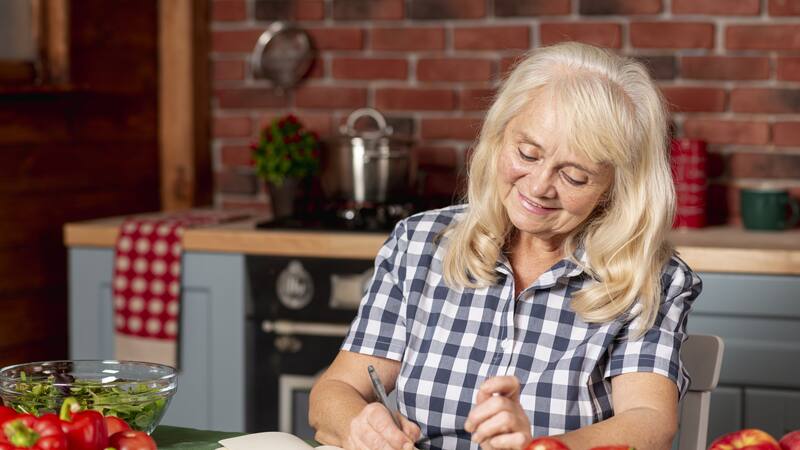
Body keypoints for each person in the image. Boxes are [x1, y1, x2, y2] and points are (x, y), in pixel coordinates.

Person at [308, 41, 702, 450]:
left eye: (575, 176)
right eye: (527, 153)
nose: (538, 187)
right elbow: (334, 390)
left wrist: (541, 447)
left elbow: (650, 423)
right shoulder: (419, 244)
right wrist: (361, 425)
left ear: (616, 188)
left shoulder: (649, 277)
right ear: (498, 136)